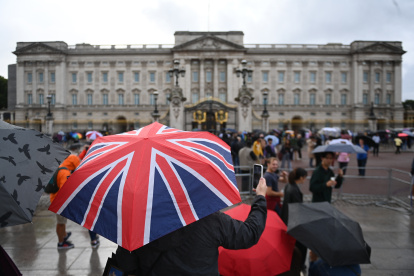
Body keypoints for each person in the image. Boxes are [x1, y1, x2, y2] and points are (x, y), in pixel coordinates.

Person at [114, 177, 268, 275]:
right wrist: (260, 198)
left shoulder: (139, 222)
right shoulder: (212, 221)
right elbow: (249, 233)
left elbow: (126, 264)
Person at [50, 146, 81, 249]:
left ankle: (64, 235)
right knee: (61, 223)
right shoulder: (65, 172)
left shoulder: (61, 167)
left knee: (62, 222)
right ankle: (61, 243)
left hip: (55, 200)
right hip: (59, 203)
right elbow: (65, 191)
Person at [281, 168, 308, 274]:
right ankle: (300, 265)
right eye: (305, 178)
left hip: (287, 220)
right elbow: (297, 208)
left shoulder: (289, 186)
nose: (305, 180)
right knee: (300, 245)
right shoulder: (294, 190)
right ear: (301, 178)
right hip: (293, 222)